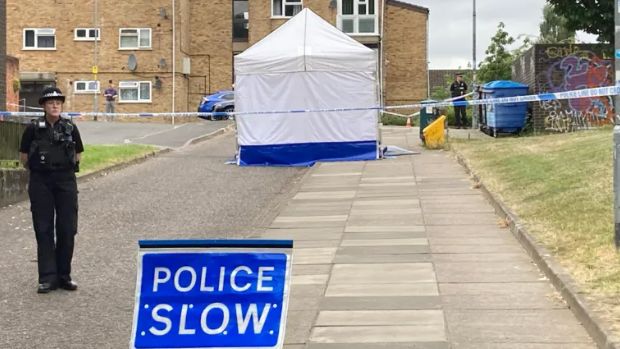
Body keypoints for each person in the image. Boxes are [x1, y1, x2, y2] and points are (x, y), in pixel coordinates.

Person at [19, 87, 84, 294]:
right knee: (43, 229)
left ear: (61, 105)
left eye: (58, 102)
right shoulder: (33, 129)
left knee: (67, 228)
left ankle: (64, 276)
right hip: (41, 181)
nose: (55, 105)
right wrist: (40, 171)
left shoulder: (70, 127)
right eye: (50, 103)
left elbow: (78, 154)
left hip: (65, 180)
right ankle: (47, 278)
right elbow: (24, 157)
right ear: (43, 106)